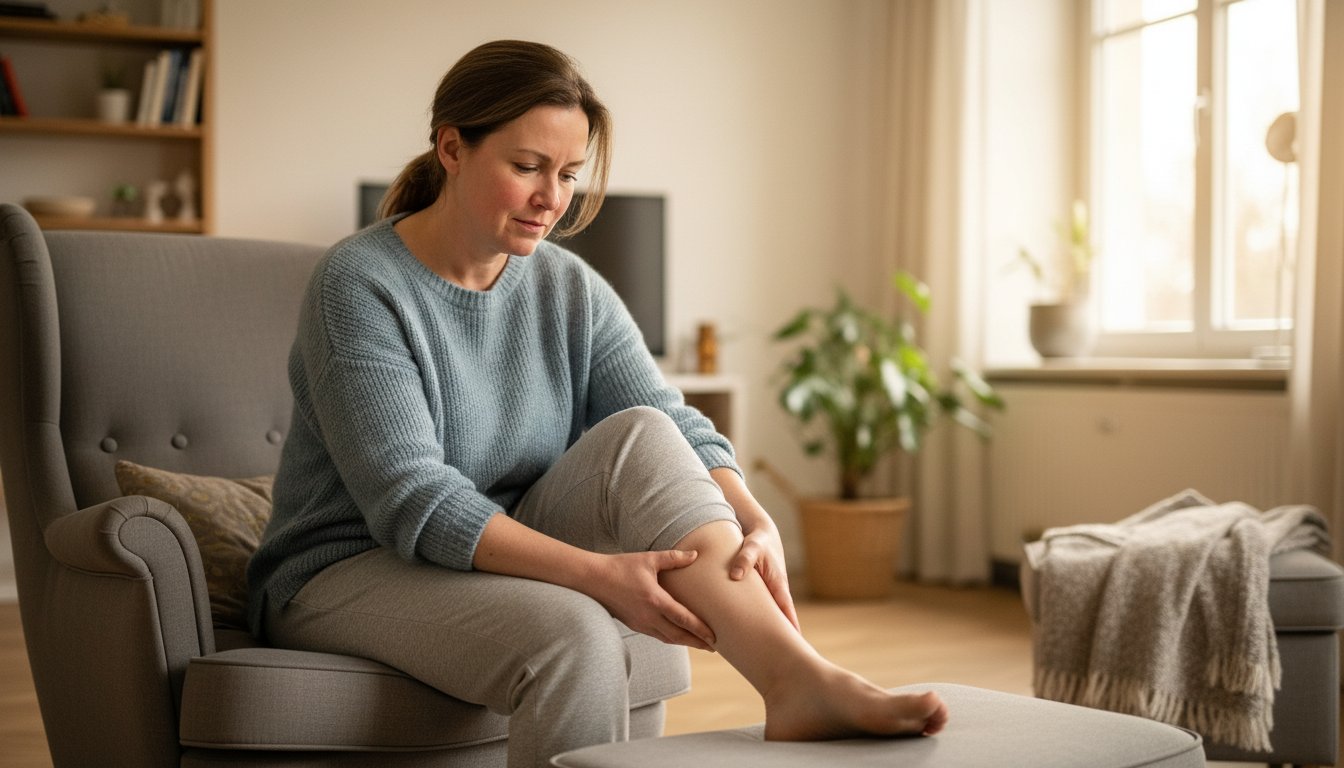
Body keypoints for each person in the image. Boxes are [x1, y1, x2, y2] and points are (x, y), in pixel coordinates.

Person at [246, 39, 948, 768]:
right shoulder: (358, 285)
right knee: (574, 631)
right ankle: (794, 680)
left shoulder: (567, 286)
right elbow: (411, 498)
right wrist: (599, 576)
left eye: (568, 174)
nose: (552, 198)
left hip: (501, 537)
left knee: (642, 432)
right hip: (345, 569)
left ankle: (796, 680)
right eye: (526, 167)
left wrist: (752, 514)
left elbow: (670, 419)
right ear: (452, 148)